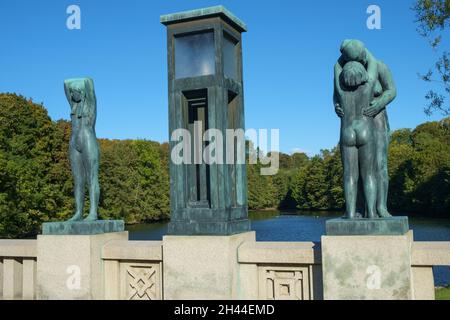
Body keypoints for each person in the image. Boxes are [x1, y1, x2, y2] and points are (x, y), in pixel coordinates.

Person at [334, 39, 397, 218]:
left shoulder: (379, 66)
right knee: (360, 169)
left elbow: (392, 90)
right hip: (361, 122)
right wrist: (336, 106)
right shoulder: (348, 73)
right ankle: (363, 209)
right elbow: (335, 96)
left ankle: (381, 207)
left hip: (376, 119)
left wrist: (379, 104)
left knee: (379, 164)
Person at [336, 61, 378, 219]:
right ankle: (372, 213)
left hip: (347, 132)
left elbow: (336, 68)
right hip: (365, 130)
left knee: (349, 176)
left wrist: (341, 60)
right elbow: (372, 64)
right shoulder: (368, 88)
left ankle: (351, 213)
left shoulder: (341, 92)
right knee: (369, 175)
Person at [64, 78, 100, 221]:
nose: (73, 94)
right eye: (72, 92)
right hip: (74, 142)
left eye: (76, 92)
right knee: (78, 180)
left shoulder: (90, 106)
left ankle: (93, 212)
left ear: (83, 93)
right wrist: (72, 87)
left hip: (88, 141)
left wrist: (83, 88)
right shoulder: (73, 106)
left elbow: (89, 84)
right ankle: (78, 212)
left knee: (91, 178)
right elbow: (66, 84)